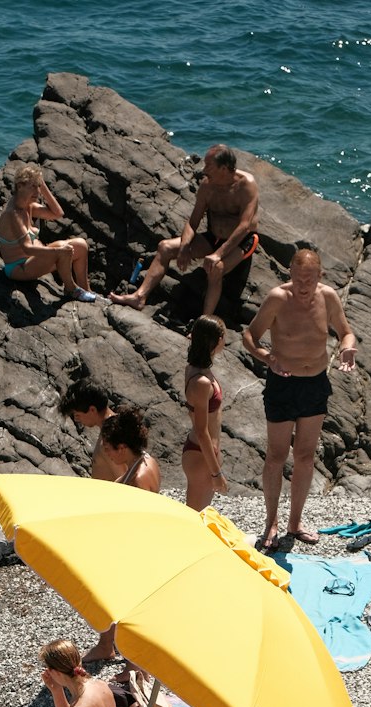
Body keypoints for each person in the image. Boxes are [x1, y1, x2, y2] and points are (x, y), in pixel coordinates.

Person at [242, 247, 357, 550]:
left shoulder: (328, 296)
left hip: (315, 383)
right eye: (298, 278)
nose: (304, 285)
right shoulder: (279, 298)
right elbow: (249, 336)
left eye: (310, 279)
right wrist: (268, 358)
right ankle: (271, 524)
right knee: (276, 456)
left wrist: (347, 347)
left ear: (320, 276)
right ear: (290, 274)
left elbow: (346, 332)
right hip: (283, 383)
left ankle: (295, 522)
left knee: (305, 456)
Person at [109, 145, 259, 319]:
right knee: (165, 247)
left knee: (215, 269)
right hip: (213, 237)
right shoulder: (207, 186)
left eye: (208, 166)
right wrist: (184, 247)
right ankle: (139, 297)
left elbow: (245, 226)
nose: (203, 170)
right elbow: (192, 222)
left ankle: (203, 321)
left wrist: (218, 254)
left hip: (243, 241)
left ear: (223, 168)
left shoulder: (246, 185)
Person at [82, 407, 162, 663]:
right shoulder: (144, 461)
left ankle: (133, 664)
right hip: (136, 545)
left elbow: (139, 522)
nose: (104, 451)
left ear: (123, 447)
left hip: (136, 550)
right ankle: (108, 646)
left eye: (108, 447)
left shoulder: (139, 477)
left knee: (126, 607)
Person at [0, 163, 97, 302]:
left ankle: (85, 289)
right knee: (63, 251)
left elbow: (57, 213)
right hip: (18, 268)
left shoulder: (28, 206)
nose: (37, 192)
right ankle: (71, 289)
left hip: (33, 260)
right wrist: (57, 252)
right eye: (33, 186)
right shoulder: (12, 213)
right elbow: (27, 247)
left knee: (80, 245)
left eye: (38, 187)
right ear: (20, 186)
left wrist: (42, 186)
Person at [181, 315, 228, 512]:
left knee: (199, 513)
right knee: (195, 515)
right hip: (201, 453)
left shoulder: (196, 370)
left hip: (205, 451)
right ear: (216, 341)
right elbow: (201, 431)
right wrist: (216, 473)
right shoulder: (201, 382)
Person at [58, 377, 119, 480]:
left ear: (92, 410)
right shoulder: (116, 427)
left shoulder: (112, 438)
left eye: (77, 415)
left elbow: (127, 482)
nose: (76, 419)